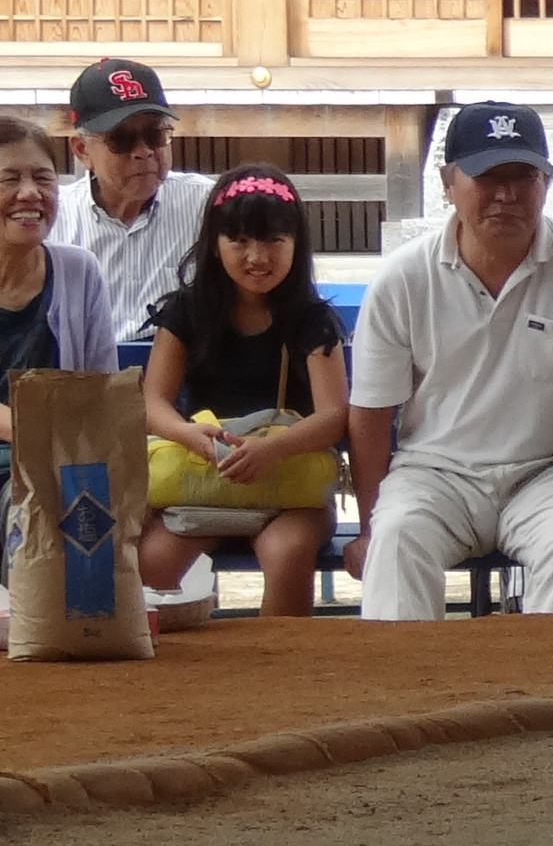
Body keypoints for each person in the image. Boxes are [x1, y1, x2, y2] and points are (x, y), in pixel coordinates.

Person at [344, 101, 553, 619]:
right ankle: (403, 697)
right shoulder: (403, 278)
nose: (506, 195)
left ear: (546, 183)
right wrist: (370, 524)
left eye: (523, 176)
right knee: (395, 541)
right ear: (448, 182)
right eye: (488, 176)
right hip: (434, 472)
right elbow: (371, 412)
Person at [136, 166, 351, 618]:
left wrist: (274, 450)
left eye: (274, 239)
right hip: (203, 481)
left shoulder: (312, 320)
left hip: (290, 486)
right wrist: (188, 434)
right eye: (239, 241)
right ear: (215, 245)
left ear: (297, 243)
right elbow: (152, 400)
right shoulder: (186, 313)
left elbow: (333, 415)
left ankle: (279, 669)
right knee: (152, 560)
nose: (257, 256)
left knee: (288, 553)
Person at [0, 113, 121, 520]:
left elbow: (100, 393)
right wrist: (32, 434)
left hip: (53, 474)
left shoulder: (78, 271)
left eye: (43, 178)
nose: (29, 193)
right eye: (9, 179)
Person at [51, 56, 213, 344]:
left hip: (185, 377)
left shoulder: (207, 206)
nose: (144, 151)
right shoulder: (54, 219)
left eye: (155, 135)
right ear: (82, 150)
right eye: (122, 139)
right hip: (86, 379)